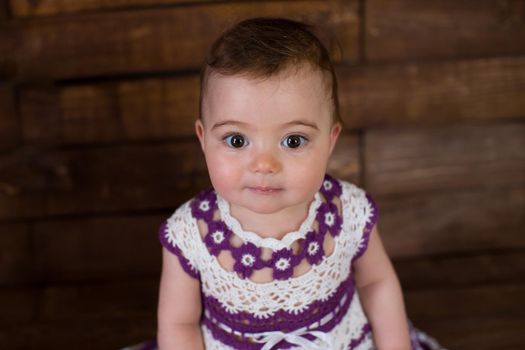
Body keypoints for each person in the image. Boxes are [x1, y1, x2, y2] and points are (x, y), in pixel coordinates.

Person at [128, 17, 445, 350]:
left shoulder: (347, 212)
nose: (264, 164)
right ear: (203, 138)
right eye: (236, 140)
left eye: (293, 141)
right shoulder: (191, 233)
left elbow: (377, 283)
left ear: (330, 141)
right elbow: (179, 323)